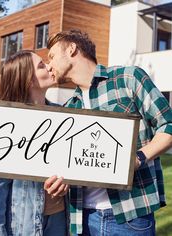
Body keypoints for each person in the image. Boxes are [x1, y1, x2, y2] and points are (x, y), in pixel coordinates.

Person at [45, 29, 172, 236]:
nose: (49, 65)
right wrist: (61, 181)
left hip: (130, 217)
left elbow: (168, 124)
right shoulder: (68, 108)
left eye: (51, 56)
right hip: (83, 219)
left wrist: (138, 158)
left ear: (71, 49)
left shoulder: (128, 79)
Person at [0, 50, 69, 236]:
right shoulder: (7, 122)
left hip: (59, 220)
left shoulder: (64, 114)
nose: (49, 66)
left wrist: (66, 183)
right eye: (41, 65)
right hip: (23, 225)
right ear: (27, 79)